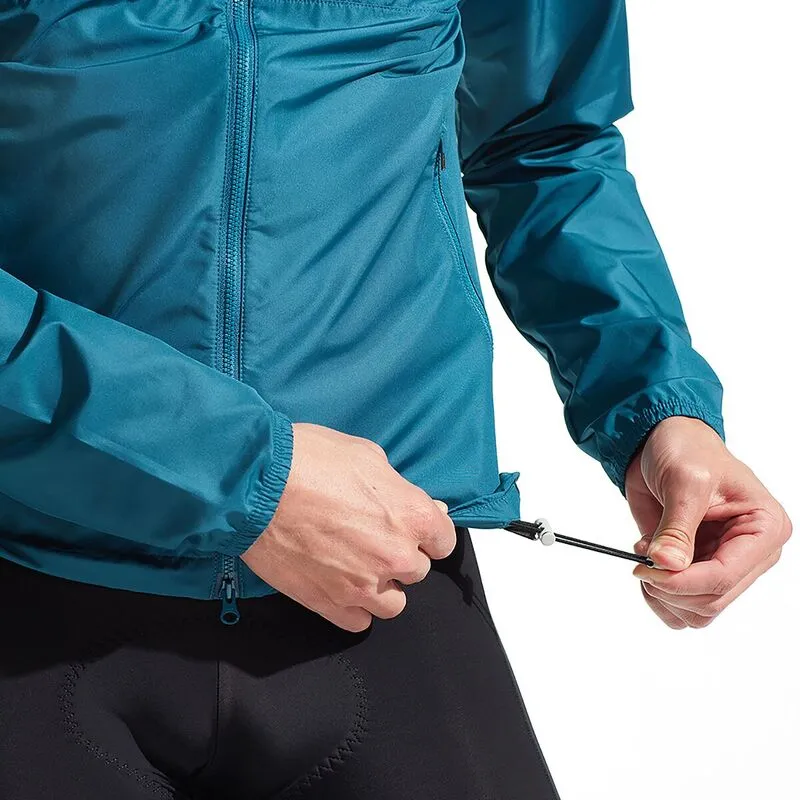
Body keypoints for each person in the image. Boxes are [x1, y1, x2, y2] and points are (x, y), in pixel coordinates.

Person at [0, 0, 791, 797]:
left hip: (386, 568)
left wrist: (657, 404)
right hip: (33, 578)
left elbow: (544, 141)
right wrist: (243, 475)